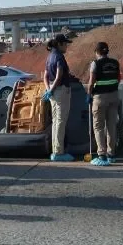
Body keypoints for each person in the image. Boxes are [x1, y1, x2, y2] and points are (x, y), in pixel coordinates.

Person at [87, 42, 120, 167]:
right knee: (111, 125)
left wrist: (88, 95)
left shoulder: (95, 64)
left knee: (99, 126)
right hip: (114, 96)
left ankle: (102, 155)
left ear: (97, 52)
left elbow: (91, 82)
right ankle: (111, 154)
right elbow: (118, 79)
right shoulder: (115, 63)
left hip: (100, 98)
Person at [42, 34, 74, 162]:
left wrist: (48, 89)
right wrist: (53, 88)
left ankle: (55, 150)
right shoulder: (59, 57)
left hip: (52, 92)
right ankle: (59, 152)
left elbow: (45, 76)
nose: (66, 46)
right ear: (59, 44)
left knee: (56, 121)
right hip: (61, 91)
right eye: (65, 44)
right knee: (61, 121)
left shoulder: (49, 57)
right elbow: (59, 76)